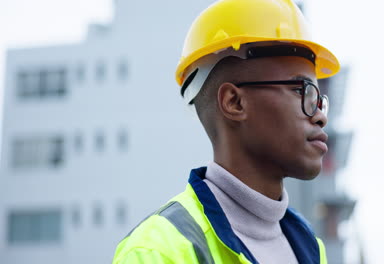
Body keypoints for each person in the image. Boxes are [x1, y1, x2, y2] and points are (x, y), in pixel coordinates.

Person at [112, 0, 340, 263]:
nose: (321, 116)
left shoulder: (311, 249)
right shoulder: (156, 252)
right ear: (234, 102)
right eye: (303, 90)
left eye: (320, 100)